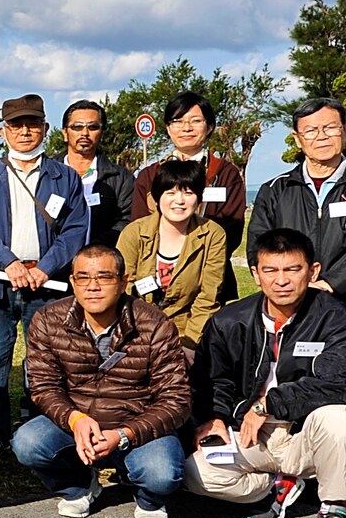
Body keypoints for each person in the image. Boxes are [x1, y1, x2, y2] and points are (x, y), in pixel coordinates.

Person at [184, 227, 346, 518]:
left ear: (312, 271)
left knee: (338, 418)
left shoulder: (339, 319)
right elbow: (211, 379)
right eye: (270, 270)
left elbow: (342, 384)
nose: (281, 280)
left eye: (292, 269)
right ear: (255, 274)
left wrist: (268, 404)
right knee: (194, 474)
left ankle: (336, 511)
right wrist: (213, 417)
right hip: (252, 434)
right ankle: (277, 486)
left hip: (305, 432)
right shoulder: (230, 321)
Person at [11, 245, 189, 518]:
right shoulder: (48, 320)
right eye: (83, 278)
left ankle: (149, 498)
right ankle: (79, 486)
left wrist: (124, 434)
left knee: (162, 473)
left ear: (123, 281)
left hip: (136, 423)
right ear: (72, 282)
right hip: (77, 421)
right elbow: (43, 387)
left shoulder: (154, 324)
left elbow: (176, 400)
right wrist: (75, 419)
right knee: (27, 442)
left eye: (104, 278)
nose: (92, 287)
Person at [0, 94, 88, 445]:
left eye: (32, 124)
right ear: (4, 132)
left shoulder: (65, 178)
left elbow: (75, 230)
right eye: (17, 125)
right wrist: (9, 262)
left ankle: (38, 426)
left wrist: (46, 267)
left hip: (48, 286)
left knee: (43, 358)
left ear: (45, 129)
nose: (25, 131)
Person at [245, 97, 346, 313]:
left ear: (345, 131)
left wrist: (332, 283)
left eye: (330, 128)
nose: (321, 136)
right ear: (297, 139)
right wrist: (292, 285)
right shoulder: (275, 190)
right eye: (310, 130)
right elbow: (258, 247)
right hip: (288, 306)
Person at [131, 91, 247, 298]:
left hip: (209, 278)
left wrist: (194, 262)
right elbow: (138, 226)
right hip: (154, 280)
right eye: (177, 121)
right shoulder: (149, 175)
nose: (186, 128)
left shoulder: (225, 173)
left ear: (209, 126)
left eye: (195, 121)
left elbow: (233, 227)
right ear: (168, 128)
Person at [116, 159, 228, 362]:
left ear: (199, 198)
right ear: (157, 197)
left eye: (188, 193)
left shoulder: (212, 234)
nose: (179, 200)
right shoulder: (133, 233)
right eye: (170, 192)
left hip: (187, 332)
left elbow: (208, 297)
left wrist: (189, 344)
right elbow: (122, 288)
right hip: (136, 330)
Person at [59, 100, 136, 248]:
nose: (85, 133)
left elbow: (127, 220)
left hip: (100, 263)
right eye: (77, 127)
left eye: (93, 127)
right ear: (65, 133)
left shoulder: (121, 178)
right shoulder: (47, 174)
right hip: (51, 266)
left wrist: (95, 249)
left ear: (102, 133)